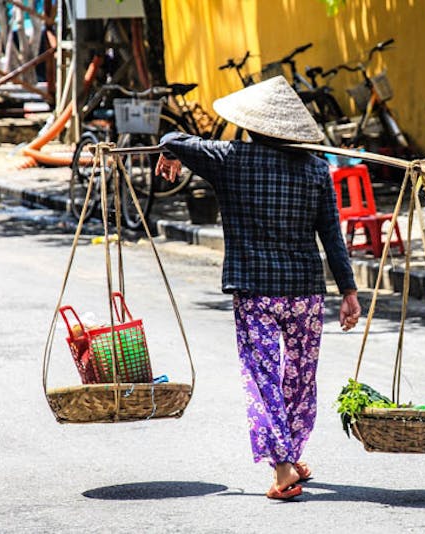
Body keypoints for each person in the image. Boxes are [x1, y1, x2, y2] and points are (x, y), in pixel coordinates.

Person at [155, 76, 361, 500]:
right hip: (304, 291)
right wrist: (349, 291)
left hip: (256, 292)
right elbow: (331, 235)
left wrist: (170, 152)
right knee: (301, 377)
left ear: (250, 126)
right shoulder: (317, 168)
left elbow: (174, 134)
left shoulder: (230, 158)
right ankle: (290, 453)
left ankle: (285, 467)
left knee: (262, 376)